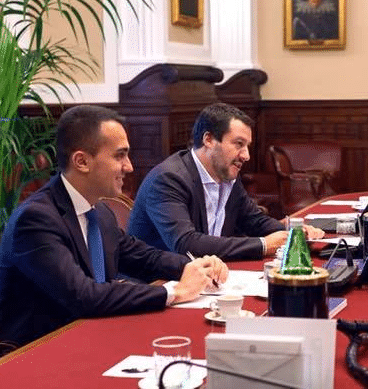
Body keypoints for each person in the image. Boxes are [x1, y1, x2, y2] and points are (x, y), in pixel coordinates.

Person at [0, 105, 226, 351]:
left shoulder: (99, 211)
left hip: (93, 334)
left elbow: (143, 257)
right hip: (39, 350)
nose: (129, 167)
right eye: (119, 156)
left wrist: (195, 266)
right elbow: (83, 296)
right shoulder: (36, 219)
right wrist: (174, 292)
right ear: (82, 161)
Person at [128, 103, 324, 261]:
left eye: (247, 146)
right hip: (156, 283)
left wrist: (294, 232)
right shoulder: (169, 179)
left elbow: (254, 221)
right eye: (239, 144)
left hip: (207, 275)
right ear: (209, 140)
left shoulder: (227, 174)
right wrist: (263, 245)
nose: (246, 155)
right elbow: (186, 243)